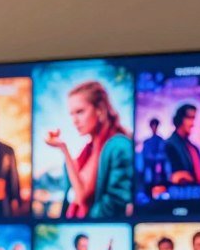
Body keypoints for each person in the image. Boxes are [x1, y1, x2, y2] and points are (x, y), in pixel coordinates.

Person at [44, 80, 133, 219]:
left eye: (80, 112)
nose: (74, 120)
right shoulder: (89, 150)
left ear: (100, 110)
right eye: (71, 114)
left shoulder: (119, 146)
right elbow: (79, 193)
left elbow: (113, 205)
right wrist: (63, 148)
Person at [163, 104, 200, 184]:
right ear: (179, 119)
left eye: (193, 119)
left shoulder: (193, 148)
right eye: (189, 118)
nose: (192, 124)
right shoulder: (169, 145)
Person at [136, 117, 168, 186]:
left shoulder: (161, 140)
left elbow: (163, 154)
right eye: (153, 126)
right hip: (149, 166)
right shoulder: (147, 142)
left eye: (155, 126)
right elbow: (145, 155)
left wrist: (158, 160)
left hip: (160, 166)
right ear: (150, 127)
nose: (154, 128)